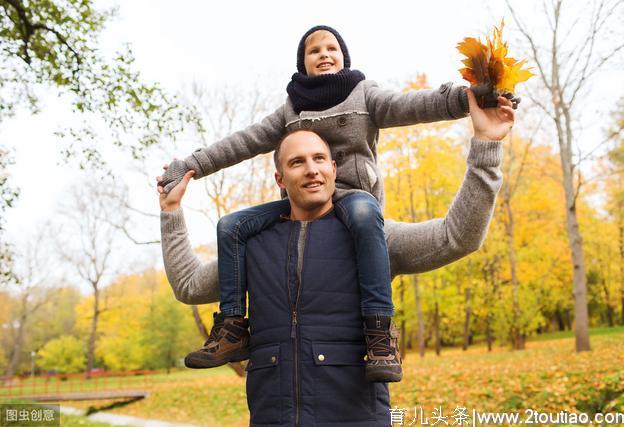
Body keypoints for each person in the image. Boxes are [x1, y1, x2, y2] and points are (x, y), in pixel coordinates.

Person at [159, 25, 519, 381]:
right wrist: (183, 181)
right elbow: (240, 143)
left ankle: (378, 331)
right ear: (280, 177)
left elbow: (416, 106)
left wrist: (474, 102)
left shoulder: (364, 100)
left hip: (359, 206)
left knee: (364, 211)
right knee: (231, 224)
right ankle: (233, 328)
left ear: (332, 165)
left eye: (332, 48)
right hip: (276, 413)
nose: (324, 54)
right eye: (314, 51)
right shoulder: (288, 115)